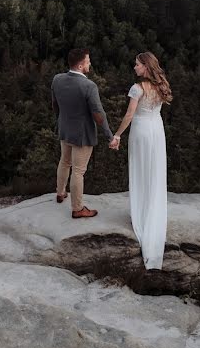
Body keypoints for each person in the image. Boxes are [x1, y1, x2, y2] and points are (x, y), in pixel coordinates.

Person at [110, 52, 172, 269]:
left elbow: (129, 115)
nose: (134, 67)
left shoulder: (137, 88)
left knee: (140, 170)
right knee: (154, 172)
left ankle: (141, 213)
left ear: (145, 66)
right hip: (157, 130)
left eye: (137, 64)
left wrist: (117, 135)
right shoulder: (160, 86)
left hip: (142, 130)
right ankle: (152, 210)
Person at [52, 48, 114, 218]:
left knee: (64, 162)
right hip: (82, 134)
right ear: (80, 65)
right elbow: (99, 115)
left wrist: (61, 121)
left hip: (65, 129)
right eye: (88, 61)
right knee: (78, 171)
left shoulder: (57, 79)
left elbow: (55, 104)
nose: (90, 64)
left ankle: (60, 193)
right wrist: (110, 136)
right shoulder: (88, 86)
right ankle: (77, 208)